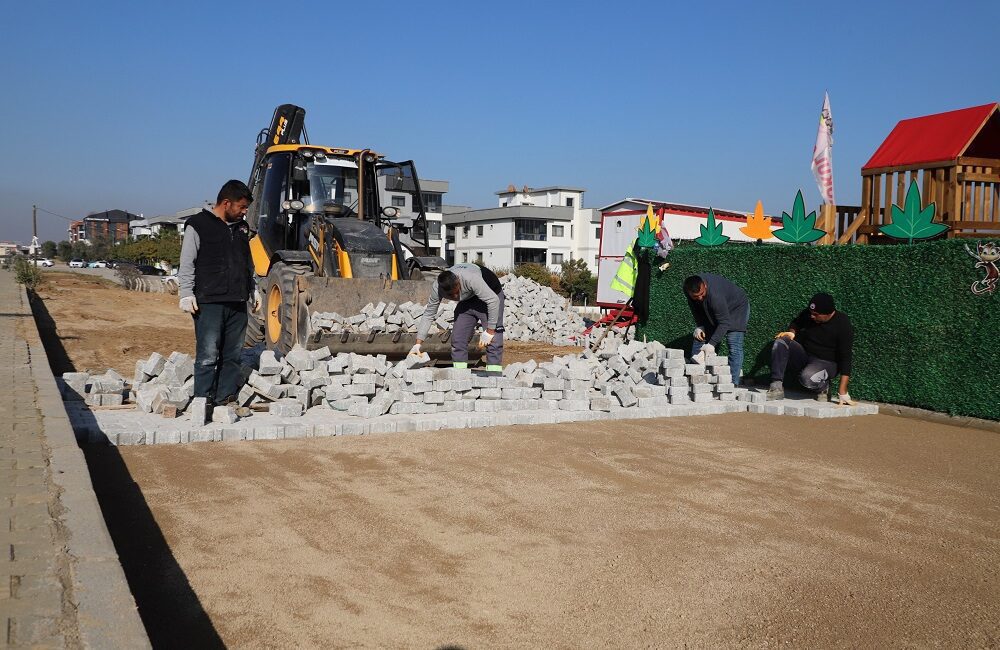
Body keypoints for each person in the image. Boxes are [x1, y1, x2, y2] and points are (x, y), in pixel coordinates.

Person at [177, 180, 260, 407]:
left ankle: (225, 400)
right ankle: (202, 401)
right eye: (241, 207)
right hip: (209, 303)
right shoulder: (198, 225)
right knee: (207, 356)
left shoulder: (242, 229)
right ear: (226, 203)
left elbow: (247, 262)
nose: (244, 212)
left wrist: (253, 289)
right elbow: (187, 263)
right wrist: (186, 292)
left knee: (232, 355)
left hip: (237, 302)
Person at [412, 263, 504, 371]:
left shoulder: (471, 278)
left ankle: (494, 378)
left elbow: (493, 300)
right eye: (451, 295)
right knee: (458, 339)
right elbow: (429, 314)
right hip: (467, 301)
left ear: (458, 282)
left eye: (457, 292)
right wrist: (418, 344)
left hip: (491, 296)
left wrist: (490, 331)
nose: (455, 297)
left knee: (493, 341)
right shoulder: (437, 288)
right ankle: (460, 377)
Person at [767, 292, 854, 404]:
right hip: (806, 356)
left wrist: (843, 392)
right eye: (811, 313)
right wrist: (791, 332)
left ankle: (823, 387)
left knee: (808, 378)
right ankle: (776, 386)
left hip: (827, 363)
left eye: (816, 314)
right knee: (781, 341)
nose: (812, 316)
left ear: (829, 313)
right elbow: (796, 323)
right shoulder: (809, 314)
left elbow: (846, 358)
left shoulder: (843, 323)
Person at [684, 273, 750, 385]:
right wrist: (700, 326)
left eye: (701, 294)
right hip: (715, 307)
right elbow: (695, 308)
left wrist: (711, 344)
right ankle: (696, 379)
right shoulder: (688, 290)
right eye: (695, 296)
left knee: (733, 344)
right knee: (700, 336)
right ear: (689, 292)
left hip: (737, 308)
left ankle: (733, 384)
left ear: (705, 285)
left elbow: (724, 323)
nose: (699, 298)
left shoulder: (715, 295)